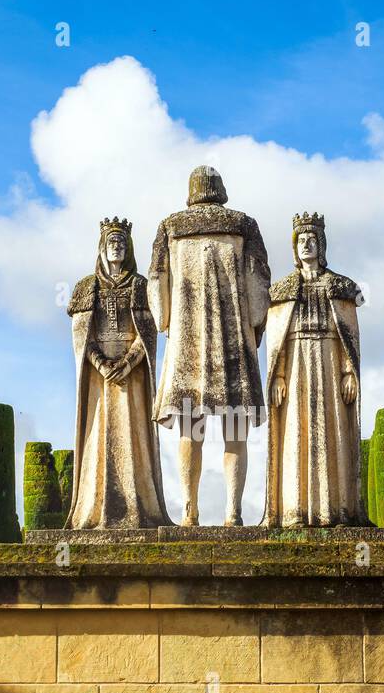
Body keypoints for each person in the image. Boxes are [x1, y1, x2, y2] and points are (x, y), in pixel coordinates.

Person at [149, 166, 269, 526]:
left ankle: (190, 510)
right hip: (233, 344)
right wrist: (255, 327)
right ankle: (233, 512)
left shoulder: (171, 227)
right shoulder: (244, 225)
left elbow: (157, 282)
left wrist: (167, 323)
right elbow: (258, 285)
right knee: (235, 430)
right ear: (221, 189)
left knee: (191, 430)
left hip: (189, 343)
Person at [67, 218, 171, 528]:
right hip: (99, 381)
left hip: (132, 376)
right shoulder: (87, 287)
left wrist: (127, 363)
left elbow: (147, 333)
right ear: (101, 248)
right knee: (97, 440)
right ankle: (95, 508)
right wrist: (100, 363)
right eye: (112, 242)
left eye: (122, 243)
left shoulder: (140, 286)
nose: (117, 247)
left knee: (134, 437)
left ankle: (139, 508)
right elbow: (81, 337)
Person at [262, 212, 363, 527]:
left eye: (312, 239)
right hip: (295, 364)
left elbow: (348, 336)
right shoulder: (282, 290)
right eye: (301, 240)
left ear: (321, 245)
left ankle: (336, 510)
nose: (307, 244)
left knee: (332, 433)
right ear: (294, 248)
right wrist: (277, 375)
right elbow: (277, 340)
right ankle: (294, 509)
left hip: (329, 361)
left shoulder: (340, 287)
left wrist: (348, 371)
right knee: (296, 431)